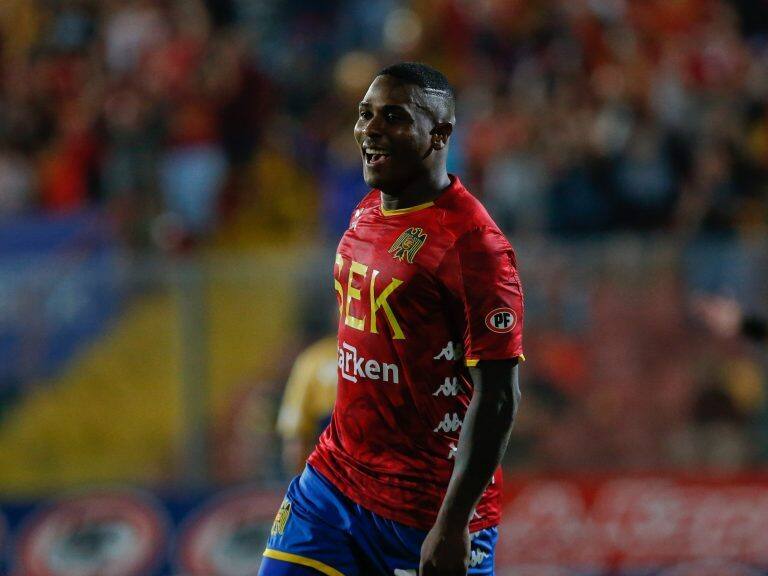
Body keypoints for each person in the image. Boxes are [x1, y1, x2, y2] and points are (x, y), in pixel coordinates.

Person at [259, 62, 524, 576]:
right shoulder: (366, 211)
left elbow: (498, 395)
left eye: (394, 117)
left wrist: (453, 524)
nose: (370, 129)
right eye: (365, 114)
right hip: (334, 483)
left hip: (423, 510)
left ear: (440, 134)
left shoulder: (475, 246)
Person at [277, 334, 339, 474]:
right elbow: (296, 438)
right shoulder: (315, 360)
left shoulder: (315, 359)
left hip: (332, 478)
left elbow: (295, 440)